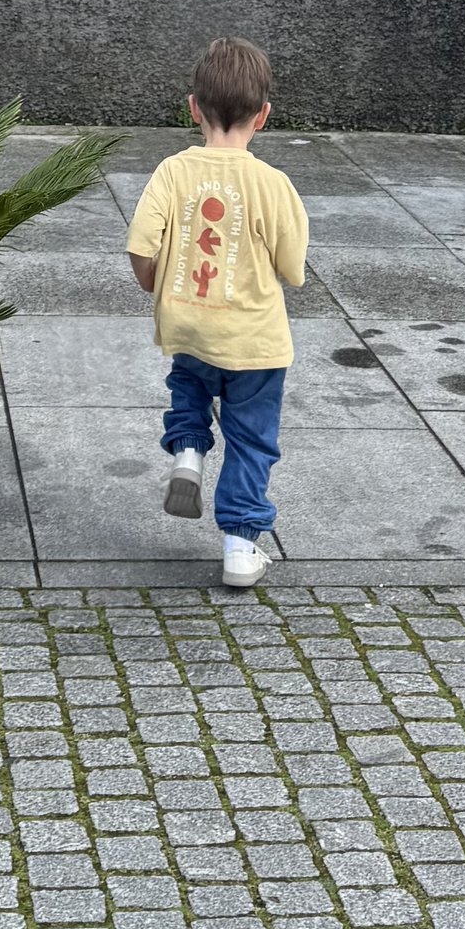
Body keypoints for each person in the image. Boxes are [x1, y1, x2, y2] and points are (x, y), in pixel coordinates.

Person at [124, 36, 309, 591]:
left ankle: (187, 452)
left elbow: (140, 244)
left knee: (189, 389)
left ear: (193, 108)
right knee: (252, 440)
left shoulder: (172, 172)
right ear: (264, 117)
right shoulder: (272, 184)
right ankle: (240, 546)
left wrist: (155, 285)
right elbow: (293, 265)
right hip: (254, 341)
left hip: (187, 324)